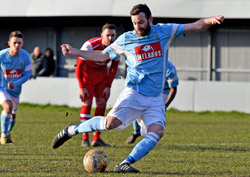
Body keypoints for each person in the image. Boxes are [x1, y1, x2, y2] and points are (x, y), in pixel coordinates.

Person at [52, 4, 224, 173]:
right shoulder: (127, 39)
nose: (138, 26)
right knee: (111, 123)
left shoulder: (165, 31)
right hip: (134, 92)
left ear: (150, 19)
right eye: (134, 23)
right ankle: (72, 130)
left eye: (141, 22)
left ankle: (125, 163)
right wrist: (75, 51)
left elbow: (195, 25)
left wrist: (210, 20)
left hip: (155, 97)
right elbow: (103, 55)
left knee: (157, 131)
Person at [75, 23, 119, 147]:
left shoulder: (116, 48)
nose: (110, 38)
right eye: (108, 35)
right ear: (102, 35)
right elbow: (78, 66)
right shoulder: (90, 45)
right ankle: (85, 138)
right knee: (87, 104)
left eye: (113, 35)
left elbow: (114, 68)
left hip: (102, 80)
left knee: (101, 104)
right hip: (87, 79)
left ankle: (96, 138)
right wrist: (81, 86)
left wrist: (108, 86)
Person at [126, 61, 179, 144]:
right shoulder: (149, 63)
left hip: (163, 91)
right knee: (137, 108)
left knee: (155, 113)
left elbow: (173, 89)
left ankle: (152, 134)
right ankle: (137, 132)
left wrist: (165, 105)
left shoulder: (170, 69)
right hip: (148, 89)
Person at [0, 31, 32, 144]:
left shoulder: (25, 56)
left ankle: (7, 134)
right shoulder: (2, 55)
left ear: (22, 43)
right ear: (9, 43)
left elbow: (28, 74)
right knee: (7, 107)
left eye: (19, 43)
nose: (17, 45)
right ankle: (3, 136)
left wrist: (16, 83)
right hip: (2, 88)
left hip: (15, 90)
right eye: (14, 43)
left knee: (12, 116)